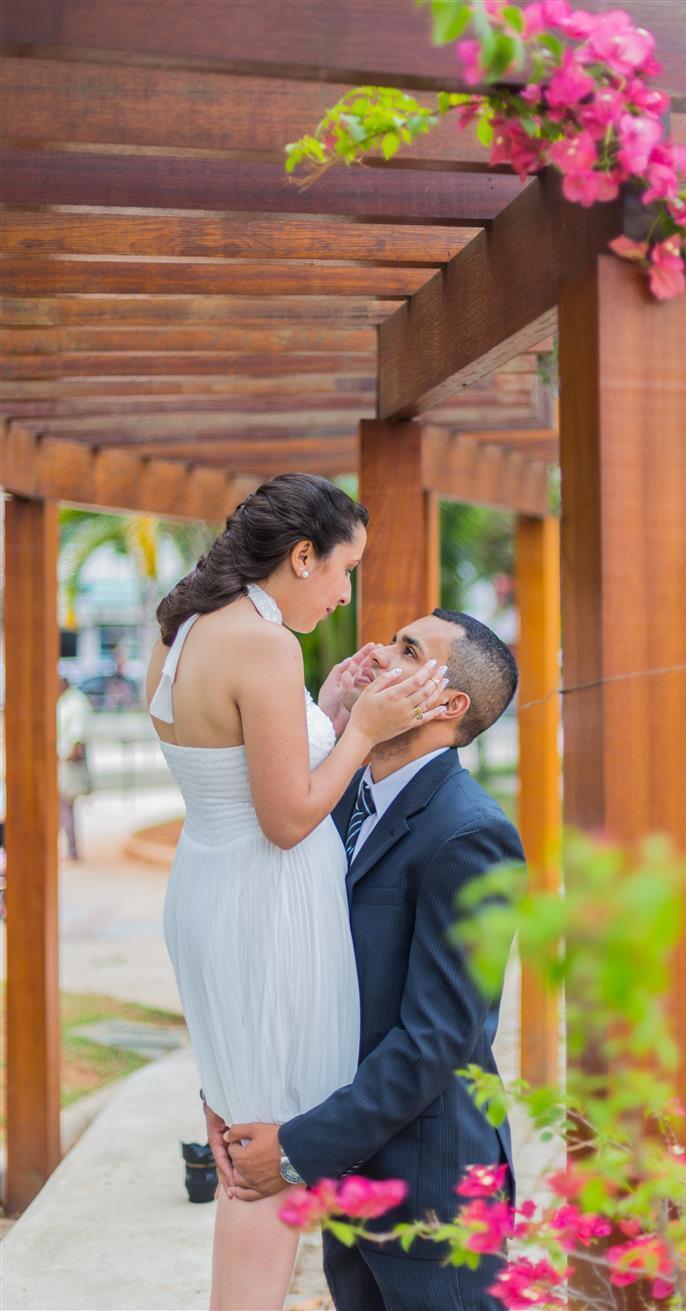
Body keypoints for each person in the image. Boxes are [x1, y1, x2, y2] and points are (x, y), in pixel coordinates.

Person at [145, 473, 447, 1311]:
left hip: (212, 891)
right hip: (265, 908)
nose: (347, 593)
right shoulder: (264, 644)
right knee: (268, 1159)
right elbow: (286, 819)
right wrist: (364, 729)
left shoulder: (184, 626)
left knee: (246, 1134)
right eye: (345, 569)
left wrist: (327, 710)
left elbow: (234, 763)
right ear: (303, 555)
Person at [222, 609, 525, 1311]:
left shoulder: (471, 833)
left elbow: (436, 1039)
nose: (378, 653)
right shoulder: (341, 797)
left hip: (432, 1190)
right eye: (391, 641)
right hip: (351, 1177)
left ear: (448, 705)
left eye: (407, 651)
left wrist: (295, 1150)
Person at [57, 672, 93, 860]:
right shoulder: (63, 700)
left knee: (65, 805)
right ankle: (64, 847)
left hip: (68, 762)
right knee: (61, 807)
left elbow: (78, 736)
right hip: (60, 759)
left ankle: (71, 849)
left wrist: (70, 755)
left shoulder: (76, 701)